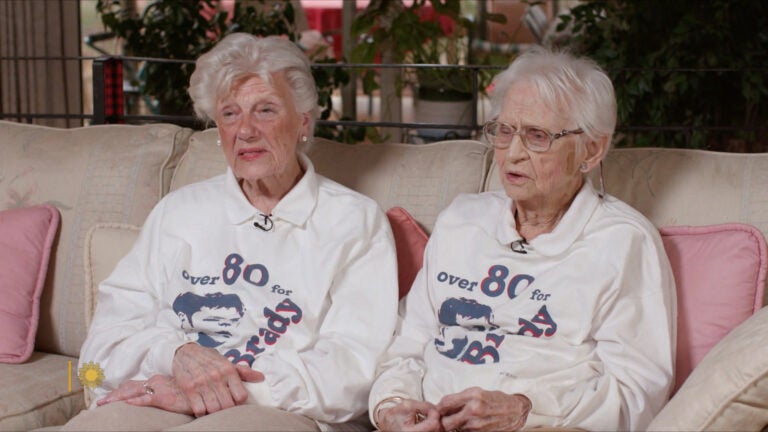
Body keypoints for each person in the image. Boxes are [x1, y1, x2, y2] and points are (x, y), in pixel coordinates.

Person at [63, 33, 398, 431]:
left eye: (266, 110)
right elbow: (101, 350)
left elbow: (352, 368)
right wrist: (176, 353)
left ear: (303, 121)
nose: (246, 130)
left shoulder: (354, 221)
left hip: (279, 409)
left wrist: (215, 393)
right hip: (160, 395)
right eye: (230, 113)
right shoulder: (179, 212)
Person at [368, 47, 677, 432]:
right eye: (504, 130)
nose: (512, 154)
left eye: (537, 136)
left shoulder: (623, 242)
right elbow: (408, 343)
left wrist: (525, 409)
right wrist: (391, 406)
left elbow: (637, 396)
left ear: (592, 149)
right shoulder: (462, 220)